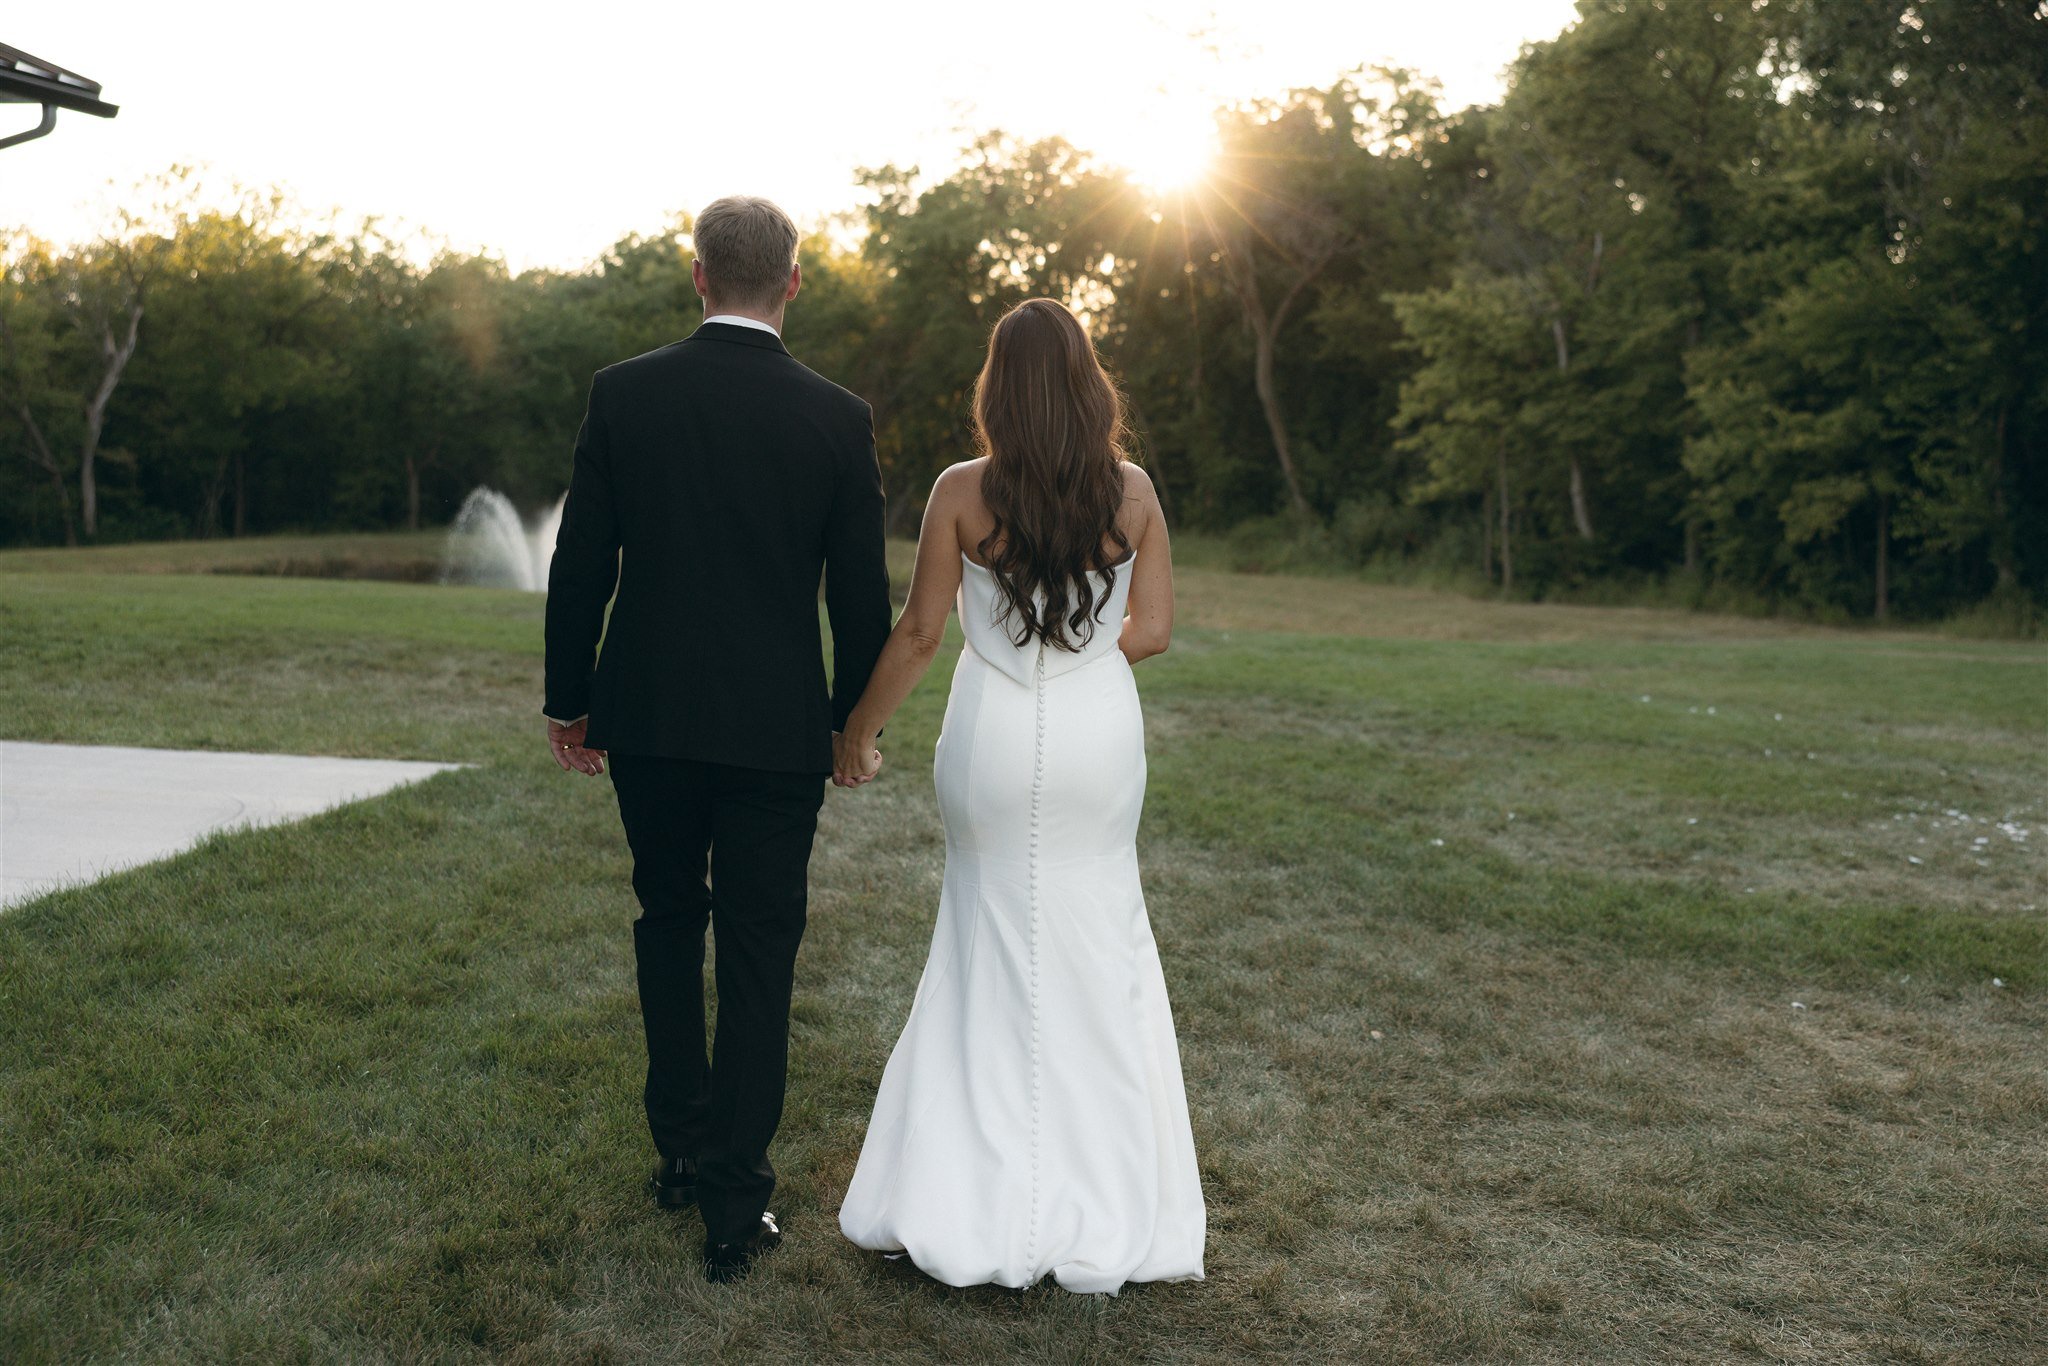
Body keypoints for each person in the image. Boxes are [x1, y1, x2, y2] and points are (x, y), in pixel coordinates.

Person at [541, 194, 892, 1284]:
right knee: (755, 949)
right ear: (793, 280)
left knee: (665, 916)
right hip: (776, 732)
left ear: (697, 277)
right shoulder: (837, 416)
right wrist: (847, 725)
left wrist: (570, 696)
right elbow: (862, 601)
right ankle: (735, 1196)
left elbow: (580, 561)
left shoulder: (624, 394)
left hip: (646, 714)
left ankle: (681, 1151)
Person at [832, 297, 1206, 1293]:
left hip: (990, 736)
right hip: (1094, 736)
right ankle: (1109, 1196)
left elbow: (918, 635)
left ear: (996, 389)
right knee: (1098, 938)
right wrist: (1075, 662)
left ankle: (964, 1192)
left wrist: (858, 730)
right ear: (1089, 387)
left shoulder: (960, 490)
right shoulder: (1131, 494)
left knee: (982, 937)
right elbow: (1155, 630)